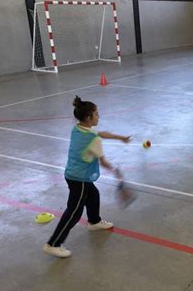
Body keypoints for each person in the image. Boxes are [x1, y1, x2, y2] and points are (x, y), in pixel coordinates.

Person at [43, 96, 130, 258]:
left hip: (71, 173)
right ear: (88, 117)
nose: (99, 116)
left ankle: (94, 221)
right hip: (80, 178)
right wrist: (116, 171)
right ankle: (53, 244)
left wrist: (120, 137)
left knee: (93, 194)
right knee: (74, 212)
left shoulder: (77, 128)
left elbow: (101, 133)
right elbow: (103, 162)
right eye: (96, 114)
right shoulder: (94, 140)